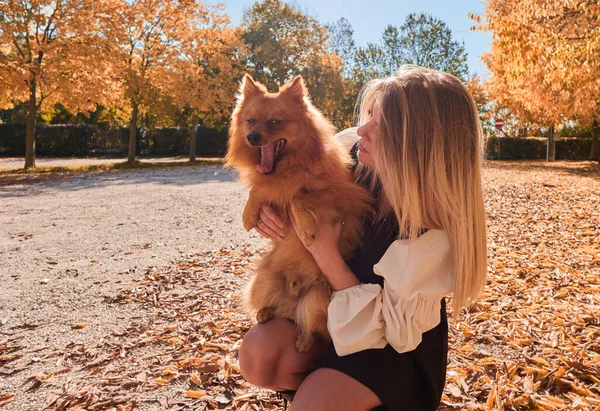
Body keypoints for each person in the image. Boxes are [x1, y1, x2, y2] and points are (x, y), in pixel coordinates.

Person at [238, 65, 488, 410]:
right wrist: (265, 205)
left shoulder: (431, 233)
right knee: (258, 356)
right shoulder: (352, 155)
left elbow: (391, 334)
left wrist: (327, 256)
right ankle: (318, 390)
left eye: (379, 123)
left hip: (390, 352)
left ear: (416, 141)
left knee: (311, 405)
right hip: (330, 318)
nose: (361, 129)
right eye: (369, 114)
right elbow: (290, 167)